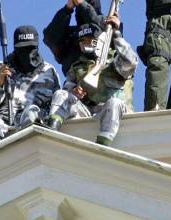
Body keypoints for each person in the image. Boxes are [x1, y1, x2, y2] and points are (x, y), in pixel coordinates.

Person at [46, 17, 138, 146]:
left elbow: (131, 63)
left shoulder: (115, 60)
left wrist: (117, 35)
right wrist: (74, 91)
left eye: (90, 40)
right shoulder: (77, 66)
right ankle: (51, 130)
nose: (86, 44)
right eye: (82, 41)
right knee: (61, 94)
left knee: (114, 103)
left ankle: (102, 144)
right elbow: (68, 91)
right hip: (88, 113)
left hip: (115, 113)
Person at [0, 25, 61, 146]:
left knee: (30, 113)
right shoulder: (0, 68)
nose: (26, 53)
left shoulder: (49, 71)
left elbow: (55, 106)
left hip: (36, 118)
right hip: (5, 120)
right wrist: (0, 83)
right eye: (22, 49)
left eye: (30, 48)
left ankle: (30, 155)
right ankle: (0, 159)